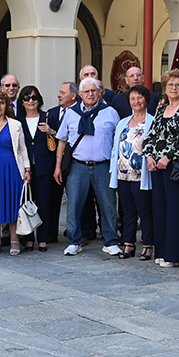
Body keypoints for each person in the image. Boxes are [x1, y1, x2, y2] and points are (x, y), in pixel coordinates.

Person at [55, 78, 120, 257]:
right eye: (87, 91)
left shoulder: (110, 113)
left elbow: (117, 142)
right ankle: (74, 241)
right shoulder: (71, 113)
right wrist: (58, 166)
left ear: (100, 92)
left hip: (103, 166)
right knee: (74, 205)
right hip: (78, 165)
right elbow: (62, 141)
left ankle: (111, 241)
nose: (91, 94)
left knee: (108, 205)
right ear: (80, 94)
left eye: (94, 90)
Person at [143, 69, 179, 268]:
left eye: (178, 85)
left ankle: (173, 256)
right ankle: (162, 251)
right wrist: (149, 156)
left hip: (175, 167)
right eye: (170, 84)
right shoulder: (160, 109)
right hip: (156, 167)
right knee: (159, 209)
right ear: (164, 87)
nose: (174, 88)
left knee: (174, 211)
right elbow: (150, 137)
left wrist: (168, 157)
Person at [0, 90, 31, 255]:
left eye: (2, 103)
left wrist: (27, 169)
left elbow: (23, 149)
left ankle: (15, 240)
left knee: (13, 204)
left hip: (12, 169)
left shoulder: (16, 125)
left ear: (7, 105)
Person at [109, 85, 155, 261]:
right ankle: (128, 243)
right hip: (123, 173)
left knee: (144, 211)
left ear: (146, 100)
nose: (136, 101)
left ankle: (147, 245)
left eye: (139, 98)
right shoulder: (123, 122)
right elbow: (116, 149)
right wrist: (113, 171)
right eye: (132, 99)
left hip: (141, 174)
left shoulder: (152, 121)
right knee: (127, 210)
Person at [17, 85, 54, 252]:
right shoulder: (17, 120)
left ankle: (42, 238)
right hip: (24, 169)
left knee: (44, 203)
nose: (30, 101)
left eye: (34, 97)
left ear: (39, 100)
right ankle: (28, 238)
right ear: (22, 101)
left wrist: (51, 131)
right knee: (26, 204)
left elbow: (62, 138)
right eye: (26, 98)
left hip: (45, 167)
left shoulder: (48, 117)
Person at [41, 82, 77, 245]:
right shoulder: (51, 113)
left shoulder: (79, 112)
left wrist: (52, 132)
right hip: (54, 161)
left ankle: (80, 232)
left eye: (63, 92)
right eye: (59, 92)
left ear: (73, 95)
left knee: (77, 198)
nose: (59, 95)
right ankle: (51, 232)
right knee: (53, 198)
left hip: (75, 160)